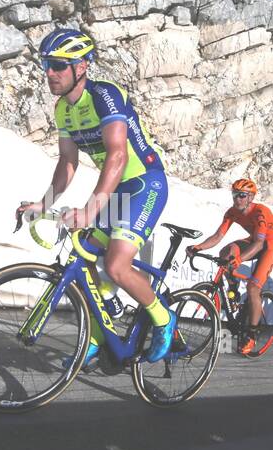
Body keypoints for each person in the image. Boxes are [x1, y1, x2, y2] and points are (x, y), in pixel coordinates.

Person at [15, 28, 177, 367]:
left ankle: (163, 318)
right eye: (46, 64)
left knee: (117, 265)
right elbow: (68, 162)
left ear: (82, 67)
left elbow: (117, 157)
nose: (50, 73)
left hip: (145, 183)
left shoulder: (104, 96)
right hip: (117, 189)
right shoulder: (63, 110)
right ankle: (98, 334)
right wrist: (44, 203)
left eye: (58, 65)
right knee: (85, 254)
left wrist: (90, 210)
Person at [186, 179, 273, 355]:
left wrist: (239, 260)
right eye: (234, 195)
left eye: (241, 195)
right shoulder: (232, 212)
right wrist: (198, 246)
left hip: (270, 245)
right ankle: (233, 291)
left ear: (251, 197)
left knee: (254, 287)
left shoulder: (260, 212)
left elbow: (260, 243)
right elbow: (218, 236)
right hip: (254, 240)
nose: (237, 199)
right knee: (226, 252)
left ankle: (252, 335)